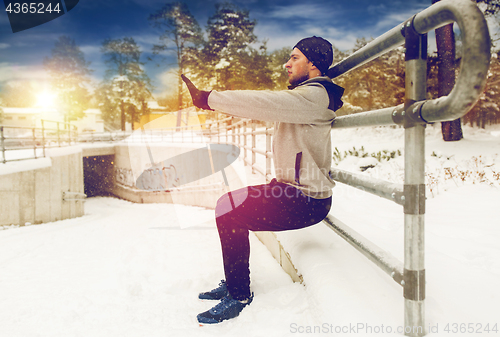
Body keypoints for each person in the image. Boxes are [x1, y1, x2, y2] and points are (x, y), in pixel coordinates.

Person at [182, 36, 344, 325]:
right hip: (291, 190)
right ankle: (234, 283)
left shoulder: (315, 96)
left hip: (307, 199)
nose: (287, 64)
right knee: (228, 207)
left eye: (295, 57)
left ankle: (239, 294)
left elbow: (263, 101)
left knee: (228, 210)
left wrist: (210, 98)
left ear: (314, 63)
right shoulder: (308, 95)